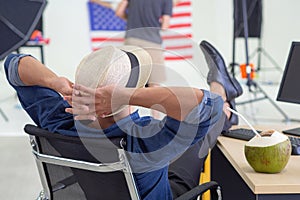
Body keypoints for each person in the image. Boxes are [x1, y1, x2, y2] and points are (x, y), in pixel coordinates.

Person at [4, 45, 242, 199]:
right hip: (164, 192)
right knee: (198, 141)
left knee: (189, 140)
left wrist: (57, 83)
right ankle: (223, 94)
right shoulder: (146, 141)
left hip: (106, 188)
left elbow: (13, 63)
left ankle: (225, 101)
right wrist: (127, 97)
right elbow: (209, 104)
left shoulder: (59, 121)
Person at [115, 0, 173, 119]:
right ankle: (156, 119)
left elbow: (119, 12)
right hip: (152, 41)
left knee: (130, 82)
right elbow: (165, 26)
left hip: (131, 40)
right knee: (154, 84)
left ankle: (127, 120)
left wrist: (131, 20)